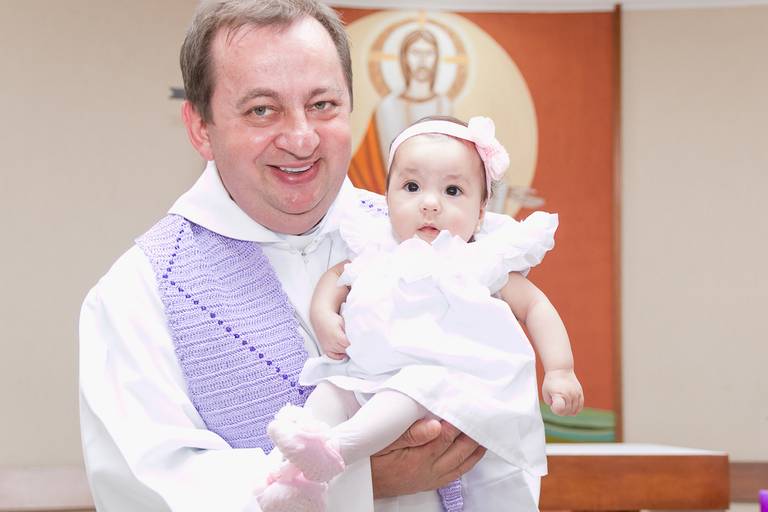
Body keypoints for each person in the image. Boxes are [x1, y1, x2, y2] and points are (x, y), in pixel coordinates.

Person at [78, 1, 486, 511]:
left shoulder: (432, 239)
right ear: (201, 126)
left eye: (323, 104)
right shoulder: (137, 293)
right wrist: (355, 479)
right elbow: (146, 491)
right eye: (262, 110)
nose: (301, 139)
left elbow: (501, 426)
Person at [257, 116, 584, 512]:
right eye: (412, 187)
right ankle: (294, 478)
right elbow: (336, 280)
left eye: (452, 190)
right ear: (388, 197)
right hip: (367, 376)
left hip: (440, 386)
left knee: (411, 388)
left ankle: (337, 451)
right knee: (330, 390)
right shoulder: (377, 250)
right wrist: (324, 316)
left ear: (481, 211)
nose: (430, 203)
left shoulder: (477, 260)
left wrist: (561, 369)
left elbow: (535, 305)